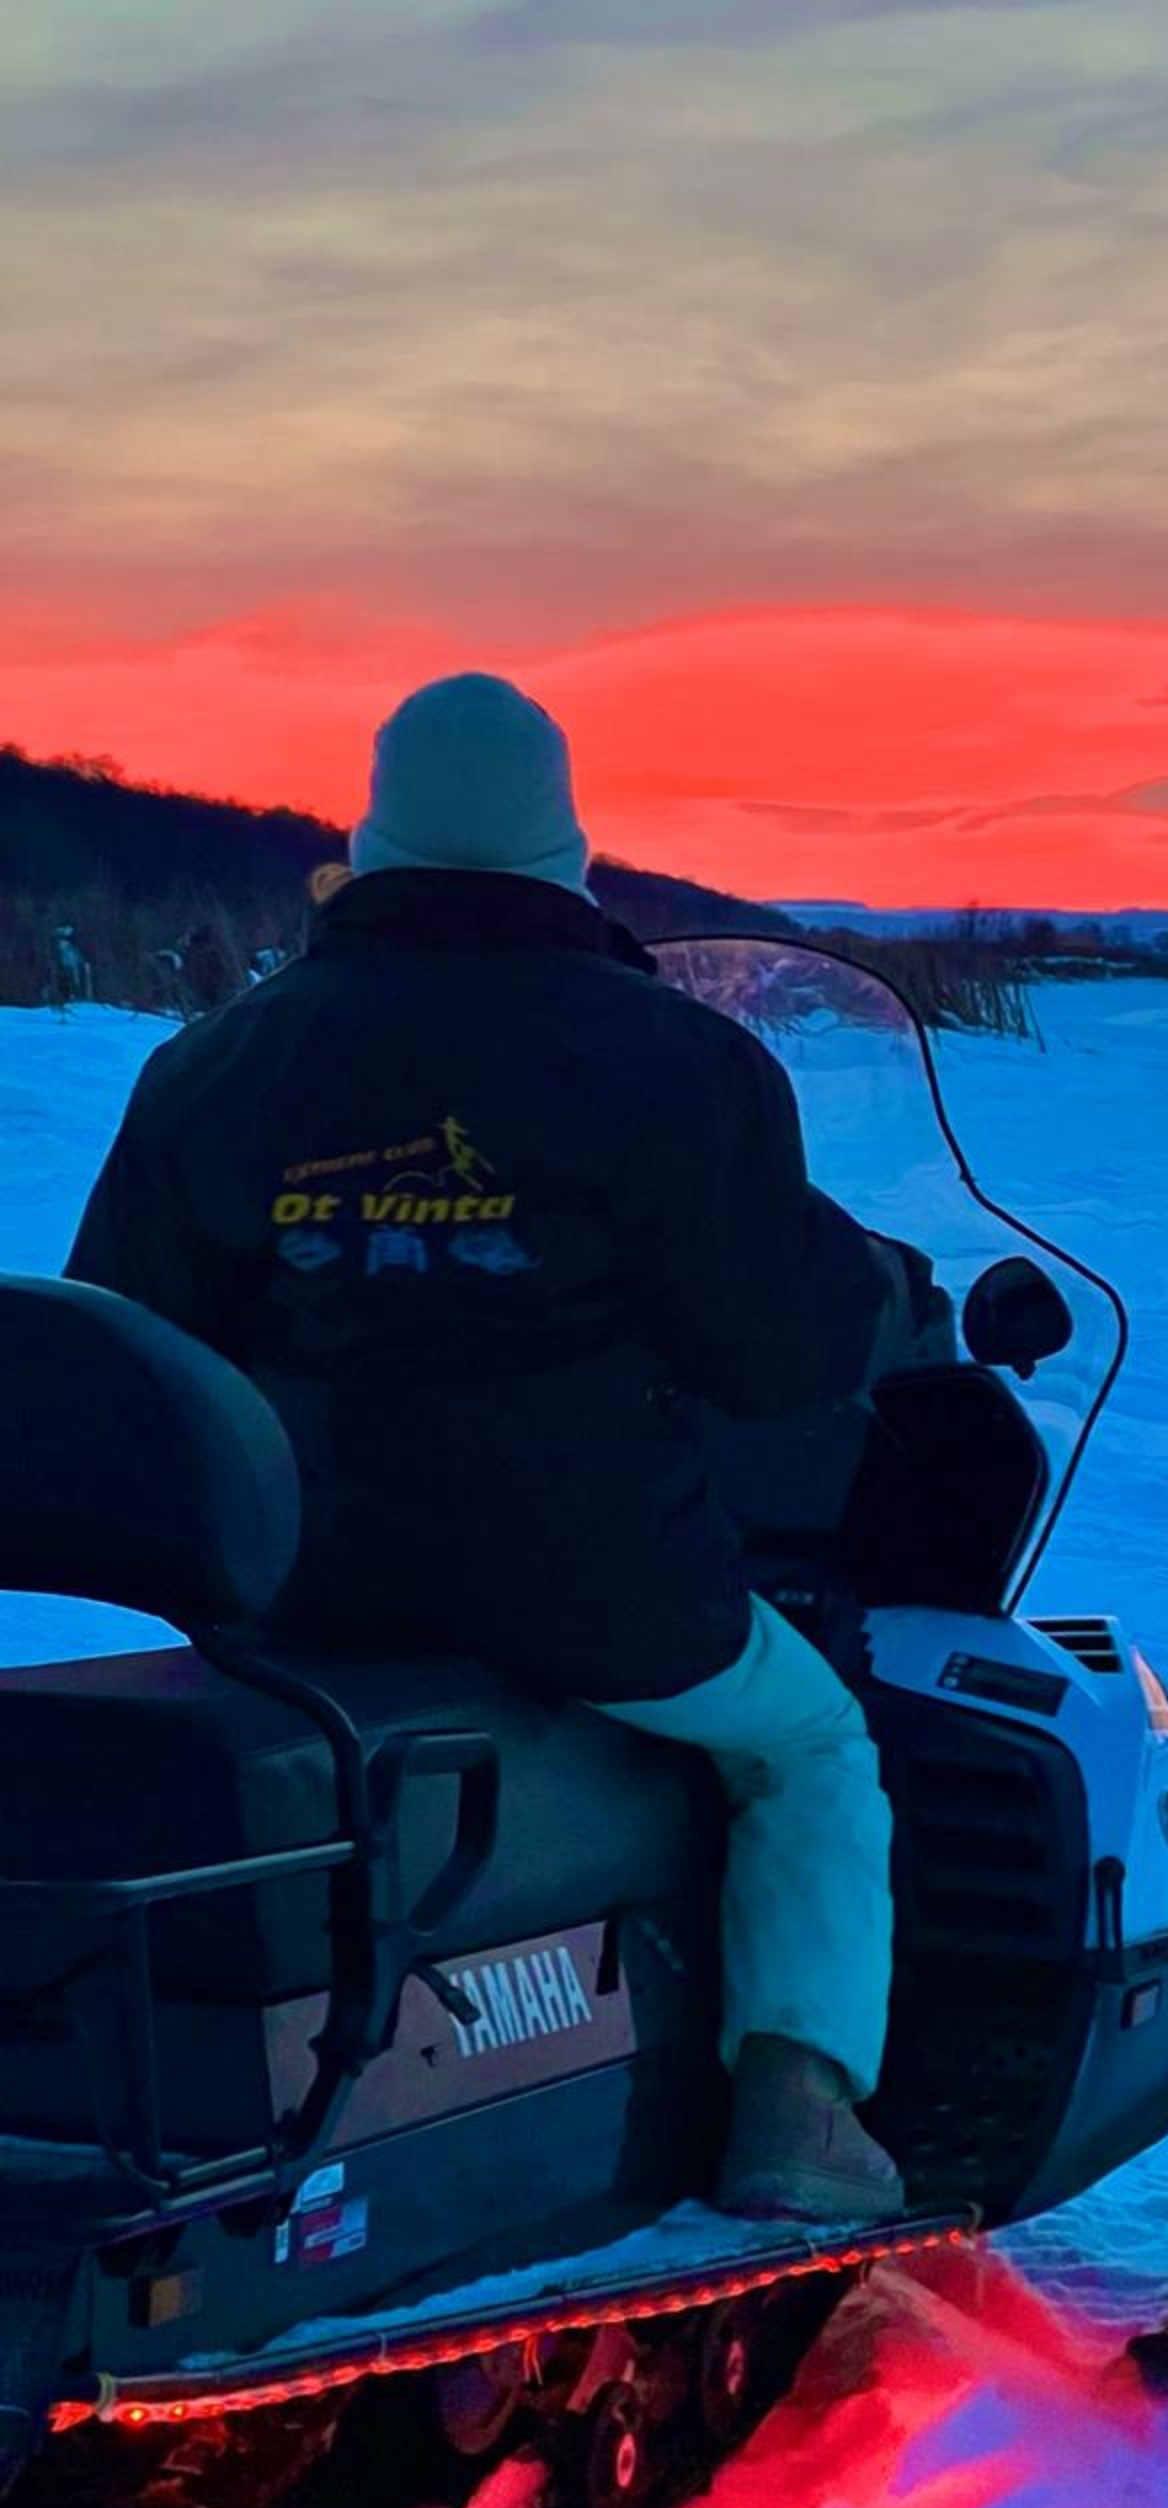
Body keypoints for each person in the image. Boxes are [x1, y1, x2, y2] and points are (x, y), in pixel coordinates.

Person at [65, 670, 932, 2223]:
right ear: (562, 843)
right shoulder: (668, 1062)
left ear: (376, 833)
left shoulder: (219, 1061)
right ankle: (796, 2110)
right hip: (594, 1589)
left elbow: (126, 1339)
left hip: (299, 1592)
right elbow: (775, 1353)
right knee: (806, 1743)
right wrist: (868, 1292)